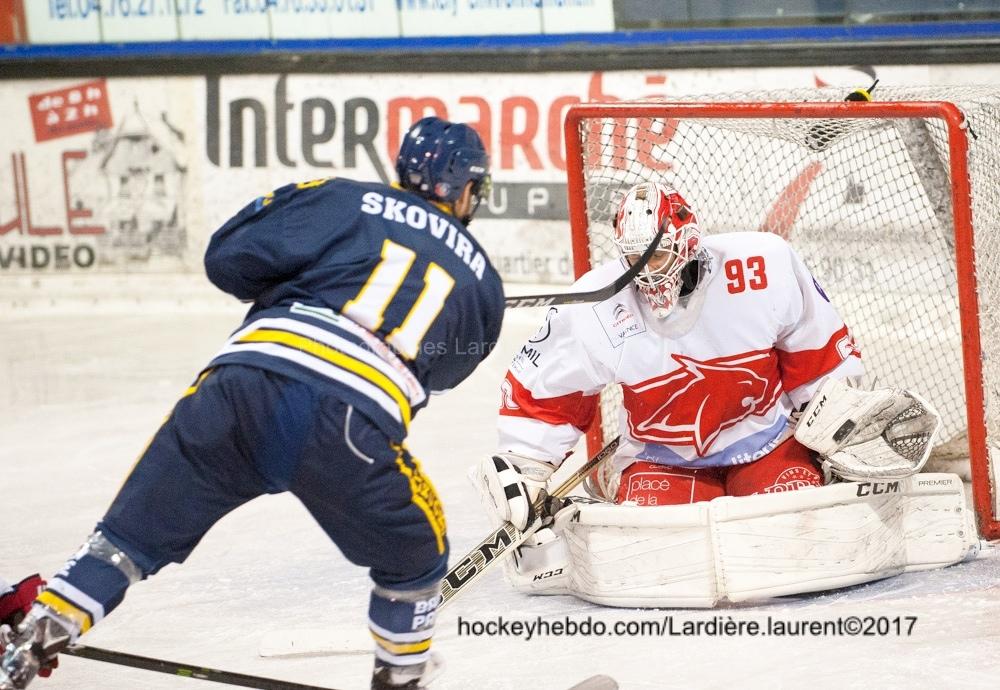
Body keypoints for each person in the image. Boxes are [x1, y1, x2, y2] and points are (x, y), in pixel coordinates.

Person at [0, 116, 503, 690]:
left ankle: (40, 627)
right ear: (466, 189)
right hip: (345, 425)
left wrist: (298, 289)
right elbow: (447, 370)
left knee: (126, 540)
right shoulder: (483, 284)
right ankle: (402, 675)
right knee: (419, 555)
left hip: (237, 388)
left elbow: (228, 258)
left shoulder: (341, 198)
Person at [477, 180, 942, 595]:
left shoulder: (763, 265)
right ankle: (619, 485)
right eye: (633, 257)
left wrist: (838, 419)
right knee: (653, 556)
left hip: (765, 445)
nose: (645, 272)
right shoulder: (595, 303)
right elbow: (546, 389)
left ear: (687, 242)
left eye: (655, 255)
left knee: (799, 531)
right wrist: (526, 466)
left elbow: (815, 350)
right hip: (661, 455)